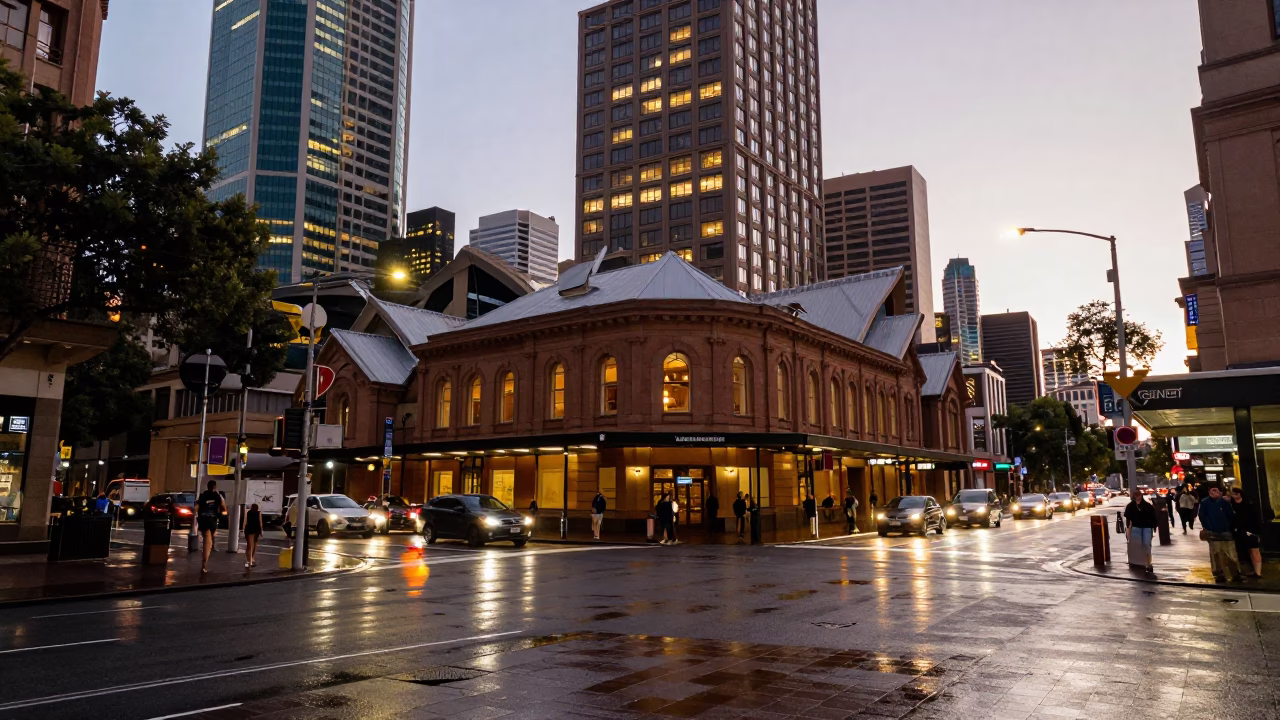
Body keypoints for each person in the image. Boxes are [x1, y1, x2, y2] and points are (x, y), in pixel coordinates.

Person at [1198, 486, 1242, 583]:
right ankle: (1219, 574)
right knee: (1216, 554)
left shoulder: (1225, 502)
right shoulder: (1205, 502)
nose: (1213, 492)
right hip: (1213, 532)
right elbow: (1202, 516)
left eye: (1216, 490)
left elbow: (1231, 515)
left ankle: (1235, 573)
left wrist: (1229, 527)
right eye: (1211, 490)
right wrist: (1209, 527)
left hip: (1226, 531)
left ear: (1220, 492)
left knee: (1230, 554)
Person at [1229, 487, 1263, 579]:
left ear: (1240, 494)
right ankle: (1252, 571)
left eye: (1236, 493)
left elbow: (1254, 518)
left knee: (1254, 551)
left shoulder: (1248, 504)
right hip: (1238, 531)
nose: (1234, 495)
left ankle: (1258, 572)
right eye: (1233, 494)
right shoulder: (1231, 505)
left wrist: (1255, 531)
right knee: (1245, 552)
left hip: (1250, 531)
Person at [195, 480, 226, 574]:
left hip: (203, 520)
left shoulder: (203, 495)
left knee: (206, 541)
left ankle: (204, 564)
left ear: (207, 486)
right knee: (208, 542)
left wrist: (198, 516)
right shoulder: (218, 496)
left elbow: (197, 507)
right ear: (215, 487)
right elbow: (223, 508)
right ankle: (204, 565)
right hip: (212, 520)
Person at [1123, 492, 1158, 573]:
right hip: (1136, 528)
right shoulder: (1130, 506)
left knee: (1146, 545)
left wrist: (1154, 527)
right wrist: (1128, 529)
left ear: (1141, 496)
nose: (1138, 498)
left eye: (1139, 496)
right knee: (1137, 546)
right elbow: (1128, 519)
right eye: (1136, 496)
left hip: (1147, 528)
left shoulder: (1148, 506)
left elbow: (1153, 517)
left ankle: (1148, 564)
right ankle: (1140, 563)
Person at [244, 502, 263, 568]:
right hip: (256, 530)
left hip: (248, 529)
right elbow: (260, 523)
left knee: (249, 545)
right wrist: (261, 532)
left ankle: (248, 560)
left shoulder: (248, 512)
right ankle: (251, 559)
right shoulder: (259, 513)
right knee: (254, 545)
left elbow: (246, 521)